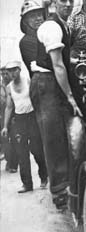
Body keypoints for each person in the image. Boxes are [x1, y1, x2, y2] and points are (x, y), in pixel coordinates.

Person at [30, 0, 86, 209]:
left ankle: (68, 185)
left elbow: (65, 61)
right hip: (46, 84)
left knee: (64, 136)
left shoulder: (65, 25)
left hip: (53, 82)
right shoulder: (51, 27)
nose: (67, 4)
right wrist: (71, 97)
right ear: (53, 2)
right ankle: (59, 194)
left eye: (70, 1)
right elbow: (57, 66)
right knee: (53, 138)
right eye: (62, 0)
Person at [1, 61, 47, 193]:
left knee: (37, 150)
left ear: (19, 70)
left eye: (14, 70)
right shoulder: (9, 87)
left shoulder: (28, 81)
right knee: (22, 154)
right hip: (19, 121)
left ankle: (44, 176)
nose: (12, 73)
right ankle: (27, 184)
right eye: (9, 71)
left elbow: (37, 99)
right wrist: (5, 126)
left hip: (32, 118)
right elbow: (9, 107)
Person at [19, 0, 46, 78]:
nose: (38, 18)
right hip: (41, 84)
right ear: (25, 21)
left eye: (39, 15)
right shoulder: (26, 41)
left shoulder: (46, 35)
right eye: (32, 16)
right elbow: (40, 66)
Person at [0, 67, 18, 172]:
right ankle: (9, 160)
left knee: (15, 139)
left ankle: (13, 163)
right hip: (3, 116)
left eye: (6, 74)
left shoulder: (14, 85)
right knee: (5, 140)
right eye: (2, 74)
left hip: (15, 115)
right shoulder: (2, 86)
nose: (4, 76)